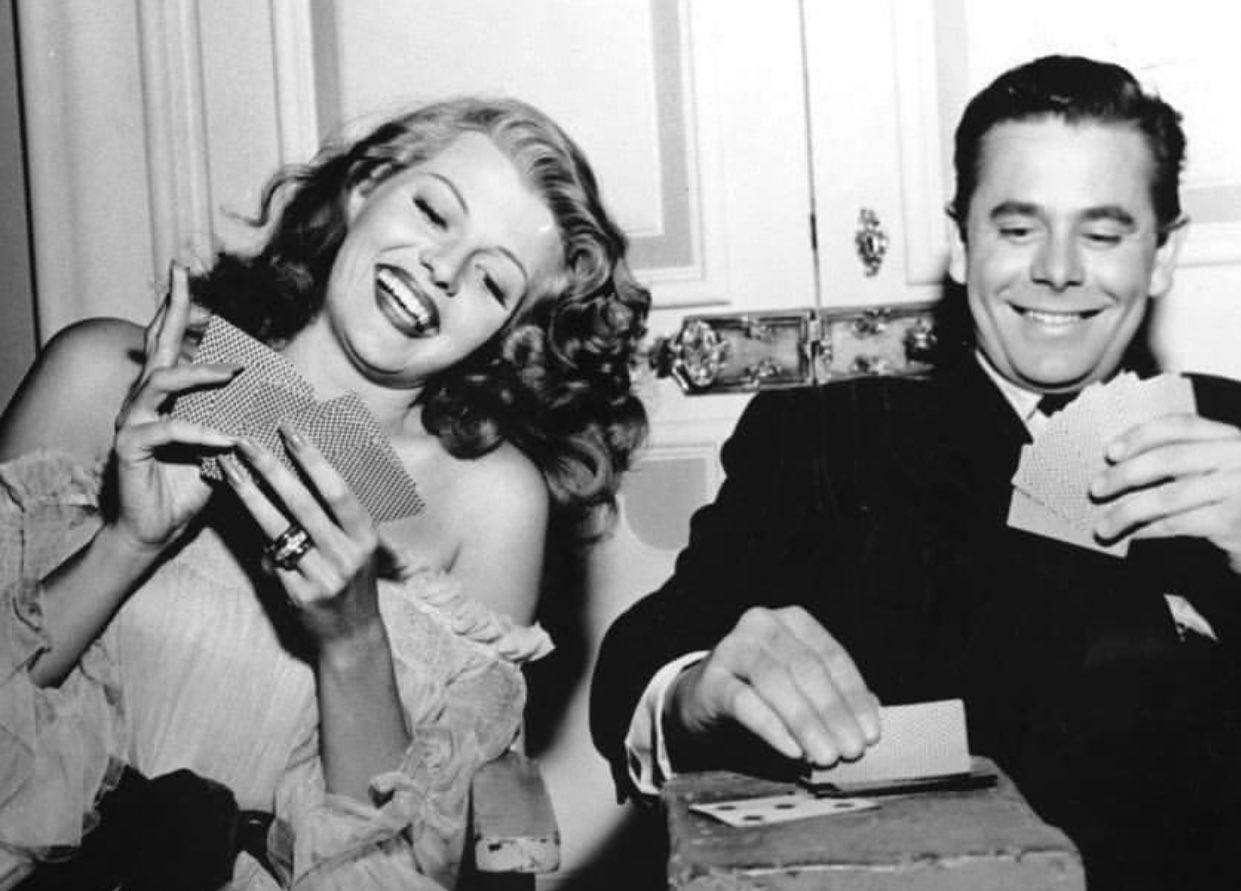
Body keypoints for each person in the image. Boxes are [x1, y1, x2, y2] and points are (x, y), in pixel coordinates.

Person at [591, 54, 1241, 890]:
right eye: (1016, 229)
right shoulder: (828, 440)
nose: (1056, 269)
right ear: (961, 243)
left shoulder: (1227, 434)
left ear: (1161, 253)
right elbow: (639, 662)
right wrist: (693, 693)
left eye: (1102, 233)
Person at [0, 95, 649, 889]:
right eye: (433, 212)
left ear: (511, 332)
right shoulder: (106, 374)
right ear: (363, 187)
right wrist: (126, 543)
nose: (442, 270)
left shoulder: (489, 501)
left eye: (491, 280)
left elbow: (408, 868)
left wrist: (353, 638)